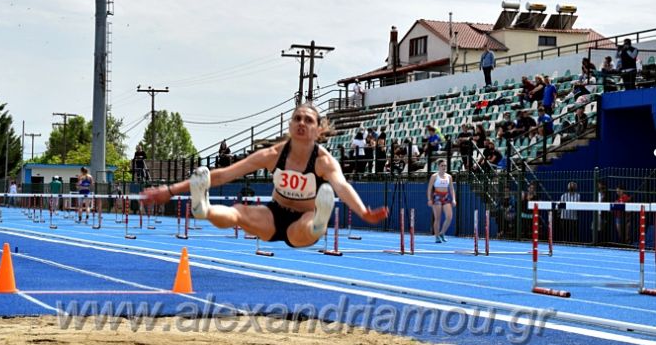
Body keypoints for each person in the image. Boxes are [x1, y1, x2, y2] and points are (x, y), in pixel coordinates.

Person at [142, 103, 388, 248]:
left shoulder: (324, 161)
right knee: (238, 211)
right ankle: (203, 209)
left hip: (304, 218)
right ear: (290, 126)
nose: (302, 123)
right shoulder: (272, 155)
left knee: (306, 224)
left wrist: (364, 212)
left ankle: (319, 222)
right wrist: (171, 190)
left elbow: (342, 187)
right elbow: (221, 176)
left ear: (318, 129)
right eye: (297, 118)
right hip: (273, 214)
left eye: (308, 120)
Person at [427, 159, 456, 243]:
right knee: (438, 218)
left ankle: (442, 233)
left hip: (446, 196)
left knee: (449, 217)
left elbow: (451, 189)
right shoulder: (434, 176)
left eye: (445, 166)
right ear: (438, 167)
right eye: (442, 166)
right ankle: (436, 236)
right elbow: (429, 189)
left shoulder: (449, 177)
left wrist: (453, 199)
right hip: (437, 197)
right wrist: (429, 199)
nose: (444, 167)